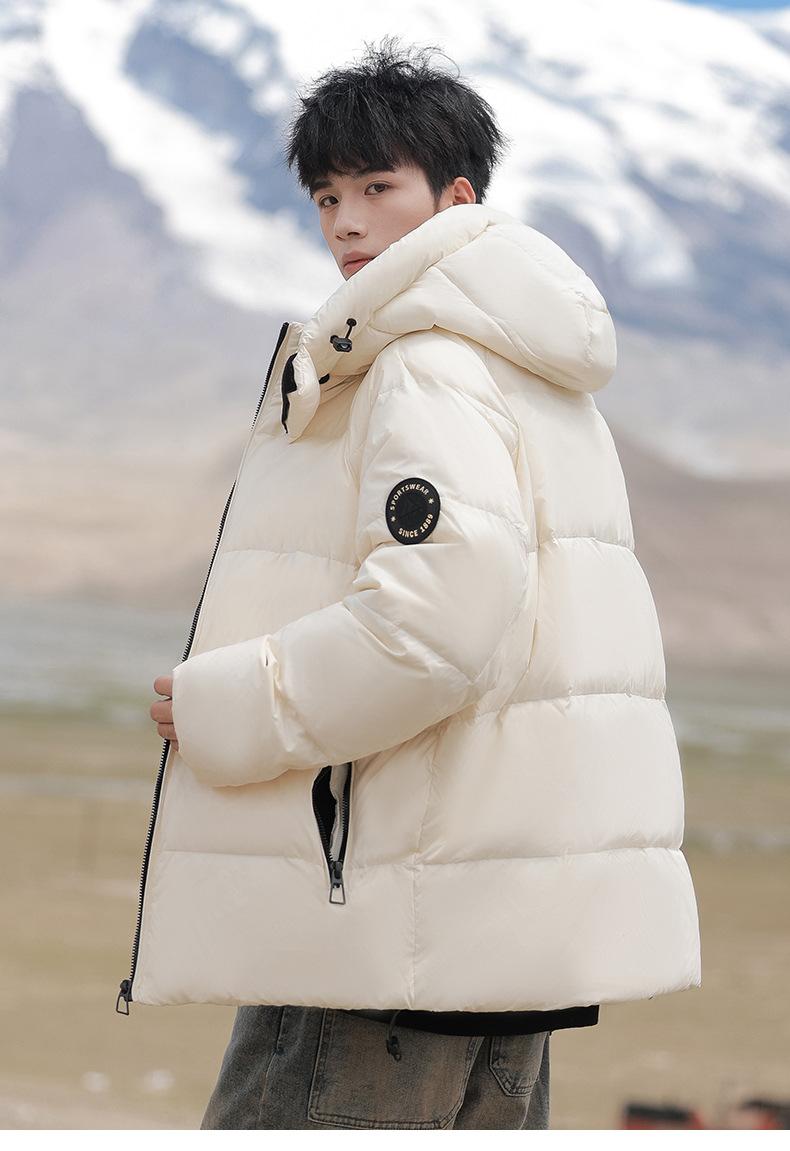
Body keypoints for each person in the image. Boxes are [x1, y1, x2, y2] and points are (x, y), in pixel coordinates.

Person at [134, 36, 701, 1130]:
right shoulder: (531, 368)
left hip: (393, 924)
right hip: (491, 922)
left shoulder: (424, 361)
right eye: (326, 196)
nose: (347, 223)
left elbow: (437, 622)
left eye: (377, 188)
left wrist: (232, 705)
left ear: (456, 197)